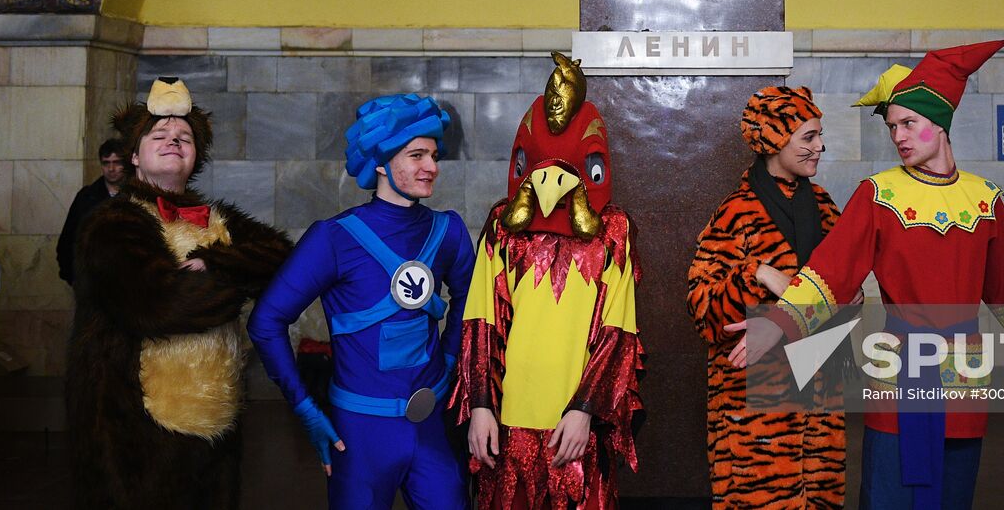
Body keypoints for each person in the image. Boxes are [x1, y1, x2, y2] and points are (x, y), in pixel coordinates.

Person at [730, 39, 1004, 510]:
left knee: (954, 496)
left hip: (964, 379)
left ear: (941, 124)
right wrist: (779, 321)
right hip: (899, 372)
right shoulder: (879, 194)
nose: (899, 136)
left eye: (909, 123)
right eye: (893, 126)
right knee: (888, 495)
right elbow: (832, 275)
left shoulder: (986, 198)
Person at [67, 77, 291, 510]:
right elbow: (166, 303)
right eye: (160, 135)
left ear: (196, 155)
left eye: (184, 137)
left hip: (216, 419)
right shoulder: (112, 222)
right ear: (134, 155)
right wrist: (239, 275)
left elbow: (284, 258)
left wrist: (217, 261)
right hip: (136, 425)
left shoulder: (216, 220)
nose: (174, 141)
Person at [247, 94, 474, 509]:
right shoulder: (333, 238)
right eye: (417, 154)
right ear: (382, 163)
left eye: (434, 155)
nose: (432, 167)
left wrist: (451, 358)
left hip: (433, 426)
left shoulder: (450, 231)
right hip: (359, 435)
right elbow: (266, 322)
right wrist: (305, 408)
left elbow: (470, 300)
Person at [453, 52, 642, 508]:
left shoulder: (612, 234)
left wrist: (585, 410)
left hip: (576, 428)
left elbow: (618, 334)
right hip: (510, 419)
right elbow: (482, 322)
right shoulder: (503, 230)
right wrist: (480, 405)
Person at [687, 86, 846, 508]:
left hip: (822, 403)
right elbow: (703, 310)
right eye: (808, 137)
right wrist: (757, 274)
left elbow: (848, 300)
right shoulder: (735, 213)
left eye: (819, 135)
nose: (820, 146)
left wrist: (781, 321)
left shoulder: (828, 210)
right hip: (755, 417)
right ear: (776, 139)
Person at [56, 138, 127, 285]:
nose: (111, 168)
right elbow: (68, 239)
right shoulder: (86, 197)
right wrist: (73, 277)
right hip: (92, 281)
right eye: (106, 163)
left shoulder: (136, 196)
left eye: (116, 162)